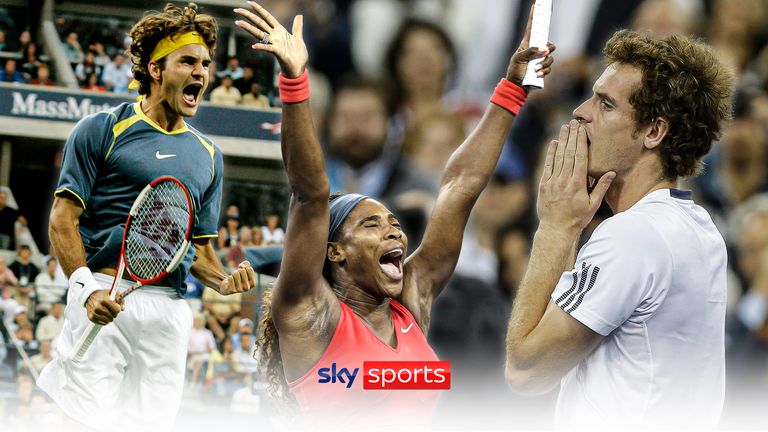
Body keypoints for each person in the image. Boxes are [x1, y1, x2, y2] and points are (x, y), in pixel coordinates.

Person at [234, 2, 553, 428]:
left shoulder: (411, 301)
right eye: (372, 225)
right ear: (334, 252)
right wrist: (295, 81)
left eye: (395, 226)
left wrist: (513, 87)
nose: (395, 235)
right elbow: (311, 196)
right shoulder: (309, 311)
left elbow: (458, 187)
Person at [37, 4, 256, 430]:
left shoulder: (210, 156)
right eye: (188, 62)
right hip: (104, 291)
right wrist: (85, 290)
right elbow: (62, 221)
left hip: (168, 310)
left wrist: (225, 281)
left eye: (205, 64)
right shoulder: (101, 128)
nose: (201, 73)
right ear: (156, 69)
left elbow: (199, 252)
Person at [504, 30, 734, 429]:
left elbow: (526, 371)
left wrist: (556, 229)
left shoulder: (632, 237)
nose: (580, 112)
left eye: (605, 104)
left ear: (653, 132)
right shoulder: (697, 228)